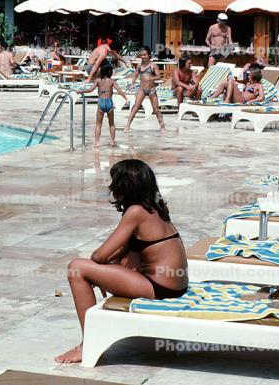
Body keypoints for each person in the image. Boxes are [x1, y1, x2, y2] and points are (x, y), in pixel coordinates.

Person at [55, 159, 188, 364]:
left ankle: (87, 344)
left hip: (159, 288)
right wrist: (109, 267)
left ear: (124, 186)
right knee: (125, 256)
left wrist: (101, 271)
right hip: (173, 286)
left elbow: (98, 256)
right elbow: (122, 251)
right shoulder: (154, 208)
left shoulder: (136, 212)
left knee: (77, 268)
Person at [75, 63, 128, 148]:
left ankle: (97, 142)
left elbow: (90, 90)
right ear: (110, 72)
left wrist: (80, 91)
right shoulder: (111, 81)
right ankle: (112, 141)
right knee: (111, 124)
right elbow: (119, 90)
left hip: (101, 103)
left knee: (98, 124)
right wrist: (126, 98)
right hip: (109, 102)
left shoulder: (98, 80)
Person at [123, 47, 167, 135]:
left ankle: (162, 127)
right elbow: (135, 75)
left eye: (145, 55)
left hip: (151, 90)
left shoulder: (153, 66)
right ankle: (127, 125)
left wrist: (151, 78)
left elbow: (159, 77)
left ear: (149, 55)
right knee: (135, 107)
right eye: (141, 55)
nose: (143, 57)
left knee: (156, 109)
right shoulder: (139, 66)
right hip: (142, 89)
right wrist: (132, 83)